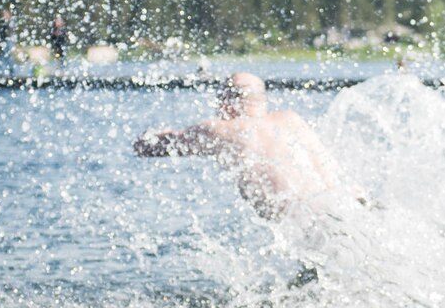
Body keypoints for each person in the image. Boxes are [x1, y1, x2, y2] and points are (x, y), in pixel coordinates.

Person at [132, 72, 344, 221]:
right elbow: (331, 171)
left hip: (302, 221)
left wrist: (154, 134)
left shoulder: (222, 130)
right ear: (262, 100)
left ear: (225, 101)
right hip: (338, 211)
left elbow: (148, 147)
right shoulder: (291, 120)